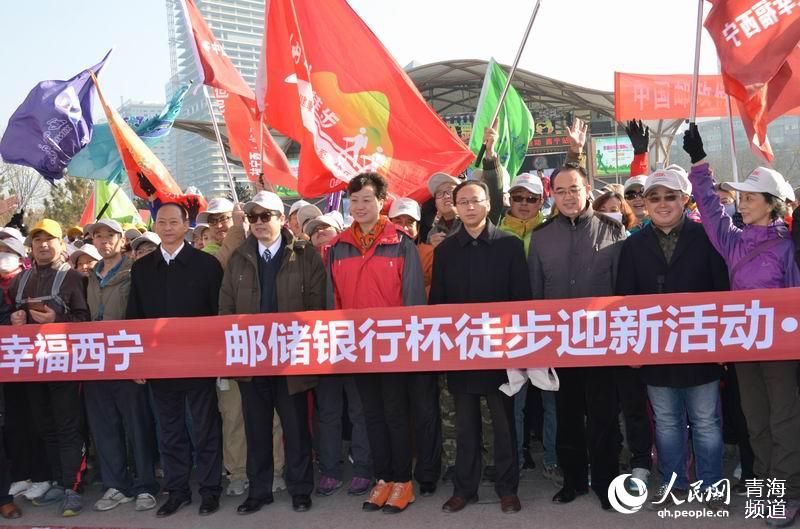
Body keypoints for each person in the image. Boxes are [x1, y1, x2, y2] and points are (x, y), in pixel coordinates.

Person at [684, 125, 800, 527]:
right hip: (745, 346)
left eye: (750, 198)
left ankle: (787, 493)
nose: (742, 203)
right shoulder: (733, 240)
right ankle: (768, 490)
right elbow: (710, 209)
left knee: (785, 421)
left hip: (781, 352)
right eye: (743, 197)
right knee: (756, 422)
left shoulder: (788, 246)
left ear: (772, 204)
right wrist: (698, 161)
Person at [616, 167, 729, 511]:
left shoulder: (706, 237)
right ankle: (674, 483)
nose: (662, 204)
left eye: (670, 196)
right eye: (654, 197)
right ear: (644, 204)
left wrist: (724, 344)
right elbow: (625, 300)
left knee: (707, 422)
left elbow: (723, 293)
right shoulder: (634, 245)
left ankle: (711, 485)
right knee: (666, 423)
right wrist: (632, 346)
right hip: (656, 352)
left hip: (701, 347)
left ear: (685, 199)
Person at [528, 161, 626, 511]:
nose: (568, 196)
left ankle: (606, 483)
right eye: (561, 191)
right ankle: (572, 481)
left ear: (588, 191)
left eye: (574, 189)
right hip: (560, 344)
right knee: (566, 417)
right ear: (552, 195)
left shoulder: (613, 232)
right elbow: (536, 295)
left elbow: (623, 293)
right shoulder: (541, 237)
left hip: (602, 344)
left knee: (603, 419)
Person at [219, 191, 324, 514]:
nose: (260, 223)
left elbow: (317, 304)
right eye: (254, 217)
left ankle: (301, 488)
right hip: (252, 360)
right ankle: (260, 490)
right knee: (257, 429)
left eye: (267, 216)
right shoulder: (239, 257)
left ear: (282, 219)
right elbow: (226, 307)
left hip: (291, 359)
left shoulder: (304, 255)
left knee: (295, 428)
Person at [326, 172, 426, 514]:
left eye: (367, 199)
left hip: (395, 347)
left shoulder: (400, 243)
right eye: (353, 201)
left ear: (382, 202)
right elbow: (333, 302)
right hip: (357, 348)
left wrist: (411, 345)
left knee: (397, 414)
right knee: (371, 416)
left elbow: (413, 301)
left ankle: (403, 481)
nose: (360, 207)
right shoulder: (338, 247)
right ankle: (382, 480)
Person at [430, 180, 530, 514]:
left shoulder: (510, 245)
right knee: (465, 425)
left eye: (476, 200)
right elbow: (438, 306)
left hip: (501, 353)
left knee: (503, 425)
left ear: (489, 203)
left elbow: (522, 302)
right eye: (463, 202)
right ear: (455, 207)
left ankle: (507, 488)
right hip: (461, 353)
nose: (470, 207)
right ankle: (465, 488)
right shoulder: (444, 251)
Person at [126, 203, 225, 518]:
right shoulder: (142, 269)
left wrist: (219, 359)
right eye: (161, 222)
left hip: (200, 364)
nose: (167, 227)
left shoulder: (206, 265)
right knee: (169, 431)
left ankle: (210, 490)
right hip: (160, 365)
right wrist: (138, 362)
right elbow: (135, 319)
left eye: (174, 222)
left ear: (187, 225)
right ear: (155, 226)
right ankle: (178, 490)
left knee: (205, 429)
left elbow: (219, 316)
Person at [8, 219, 91, 517]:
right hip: (33, 366)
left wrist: (58, 320)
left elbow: (89, 323)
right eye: (38, 239)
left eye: (50, 239)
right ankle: (59, 479)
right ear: (30, 245)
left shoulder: (74, 279)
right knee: (46, 426)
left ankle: (73, 486)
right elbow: (8, 320)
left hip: (66, 365)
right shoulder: (20, 281)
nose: (44, 244)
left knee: (69, 427)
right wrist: (14, 321)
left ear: (61, 244)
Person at [386, 196, 442, 495]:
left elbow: (434, 293)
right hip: (390, 343)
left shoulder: (428, 252)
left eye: (410, 222)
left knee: (425, 410)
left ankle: (428, 472)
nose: (404, 227)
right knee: (397, 412)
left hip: (422, 341)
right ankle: (401, 469)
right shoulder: (381, 253)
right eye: (399, 221)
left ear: (419, 226)